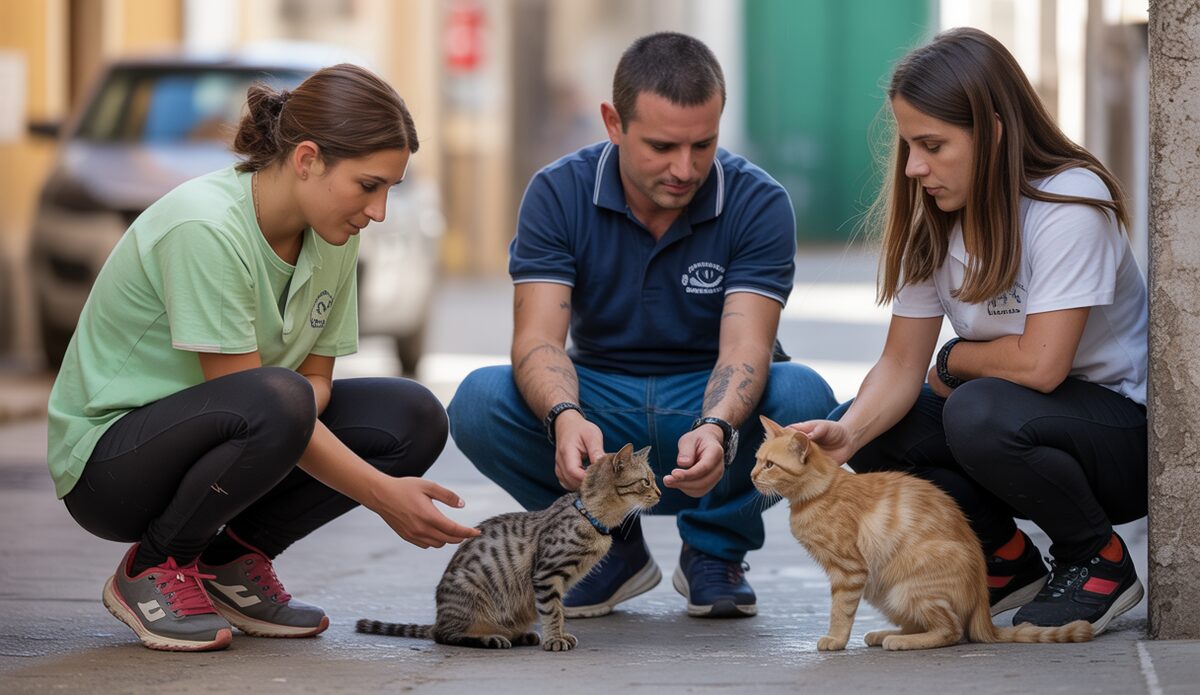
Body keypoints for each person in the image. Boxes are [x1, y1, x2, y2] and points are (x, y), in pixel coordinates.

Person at [46, 63, 479, 652]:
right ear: (307, 160)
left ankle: (229, 563)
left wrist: (297, 407)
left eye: (389, 191)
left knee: (413, 417)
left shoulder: (334, 235)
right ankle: (151, 568)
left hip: (231, 430)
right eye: (368, 185)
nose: (378, 212)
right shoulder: (206, 227)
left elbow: (314, 380)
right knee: (277, 397)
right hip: (111, 466)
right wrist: (379, 492)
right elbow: (262, 395)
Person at [448, 32, 836, 620]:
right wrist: (564, 415)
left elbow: (747, 346)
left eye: (702, 145)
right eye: (660, 146)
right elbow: (537, 341)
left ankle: (716, 551)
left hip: (703, 396)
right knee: (479, 400)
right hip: (602, 404)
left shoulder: (759, 201)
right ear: (613, 123)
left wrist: (717, 428)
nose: (684, 169)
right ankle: (608, 548)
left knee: (806, 394)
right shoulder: (557, 192)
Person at [792, 27, 1147, 635]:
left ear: (994, 133)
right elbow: (902, 367)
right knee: (879, 429)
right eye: (908, 145)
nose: (913, 167)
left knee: (976, 408)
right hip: (1021, 429)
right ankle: (1004, 560)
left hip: (1119, 442)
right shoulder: (936, 220)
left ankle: (1097, 559)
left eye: (932, 144)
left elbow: (1042, 365)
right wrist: (846, 435)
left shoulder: (1070, 204)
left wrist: (957, 359)